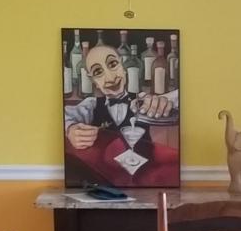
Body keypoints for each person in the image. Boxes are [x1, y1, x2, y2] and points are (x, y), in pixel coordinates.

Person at [64, 42, 179, 186]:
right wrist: (70, 129)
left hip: (145, 181)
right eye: (98, 72)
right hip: (107, 183)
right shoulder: (91, 104)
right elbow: (63, 115)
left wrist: (162, 102)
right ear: (93, 81)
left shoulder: (142, 100)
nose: (110, 78)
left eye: (113, 64)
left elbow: (176, 97)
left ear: (123, 67)